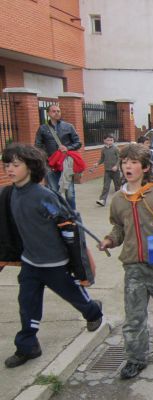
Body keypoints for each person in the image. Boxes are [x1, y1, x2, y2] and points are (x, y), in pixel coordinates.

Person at [2, 144, 103, 368]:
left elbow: (67, 224)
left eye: (16, 165)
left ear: (30, 167)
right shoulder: (9, 193)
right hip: (30, 262)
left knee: (74, 295)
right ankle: (28, 346)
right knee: (26, 303)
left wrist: (75, 260)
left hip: (55, 263)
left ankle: (94, 312)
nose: (10, 169)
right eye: (7, 164)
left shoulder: (43, 196)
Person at [98, 144, 153, 379]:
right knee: (134, 315)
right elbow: (119, 227)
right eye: (124, 161)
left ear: (145, 167)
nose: (127, 165)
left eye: (133, 162)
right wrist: (109, 240)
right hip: (133, 265)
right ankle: (136, 358)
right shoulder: (118, 199)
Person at [35, 104, 82, 210]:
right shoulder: (42, 129)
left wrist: (68, 148)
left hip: (66, 163)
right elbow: (37, 146)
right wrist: (47, 157)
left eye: (58, 111)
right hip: (50, 164)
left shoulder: (68, 126)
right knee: (54, 191)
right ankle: (58, 215)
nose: (57, 113)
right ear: (48, 113)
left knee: (69, 193)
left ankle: (72, 214)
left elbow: (78, 143)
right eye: (54, 111)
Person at [94, 134, 121, 207]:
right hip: (107, 171)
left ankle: (120, 201)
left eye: (111, 140)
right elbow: (102, 158)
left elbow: (120, 158)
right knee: (106, 186)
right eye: (108, 140)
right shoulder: (103, 149)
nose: (110, 141)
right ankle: (102, 200)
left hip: (116, 172)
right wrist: (97, 163)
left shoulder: (116, 149)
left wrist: (116, 166)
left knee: (117, 187)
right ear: (104, 141)